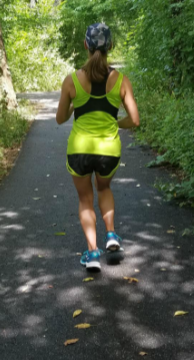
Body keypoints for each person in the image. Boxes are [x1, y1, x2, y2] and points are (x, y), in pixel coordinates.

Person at [56, 23, 140, 270]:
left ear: (85, 45)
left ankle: (92, 253)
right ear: (110, 46)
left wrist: (75, 105)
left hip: (79, 150)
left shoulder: (71, 81)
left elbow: (60, 118)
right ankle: (111, 234)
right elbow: (135, 120)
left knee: (85, 199)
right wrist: (116, 123)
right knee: (104, 189)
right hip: (108, 151)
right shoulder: (121, 80)